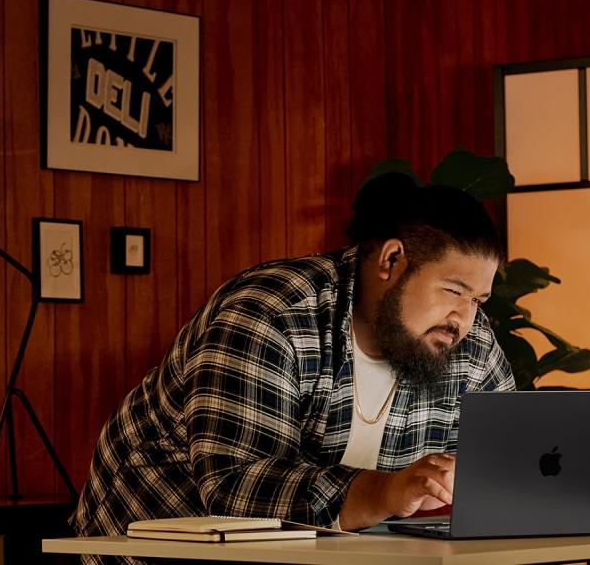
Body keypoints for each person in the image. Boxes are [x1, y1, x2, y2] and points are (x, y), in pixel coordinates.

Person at [71, 173, 514, 558]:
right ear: (391, 260)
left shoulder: (467, 342)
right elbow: (233, 488)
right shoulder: (271, 312)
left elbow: (502, 464)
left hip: (326, 556)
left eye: (477, 300)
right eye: (454, 291)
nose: (464, 318)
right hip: (147, 543)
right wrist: (386, 491)